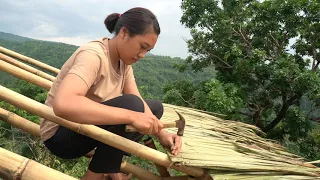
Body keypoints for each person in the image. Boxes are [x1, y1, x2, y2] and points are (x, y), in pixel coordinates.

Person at [39, 7, 182, 180]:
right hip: (61, 134)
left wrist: (161, 133)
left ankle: (109, 167)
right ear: (124, 33)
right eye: (142, 47)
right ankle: (94, 176)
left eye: (148, 50)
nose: (143, 55)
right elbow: (63, 104)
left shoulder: (124, 63)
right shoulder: (94, 55)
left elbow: (137, 98)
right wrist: (130, 116)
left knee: (154, 109)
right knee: (133, 107)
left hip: (87, 127)